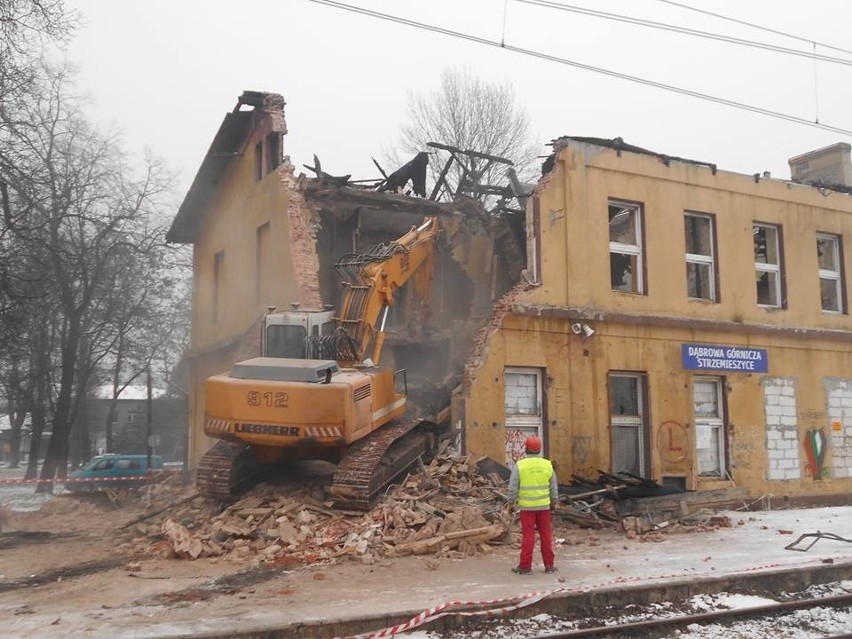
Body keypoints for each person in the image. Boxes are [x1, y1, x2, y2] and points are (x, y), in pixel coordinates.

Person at [506, 435, 558, 575]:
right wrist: (554, 501)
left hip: (527, 508)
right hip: (544, 507)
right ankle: (549, 565)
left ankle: (525, 567)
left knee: (528, 536)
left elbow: (513, 487)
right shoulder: (547, 464)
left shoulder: (520, 465)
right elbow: (553, 486)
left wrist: (510, 503)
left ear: (526, 448)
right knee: (546, 535)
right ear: (539, 449)